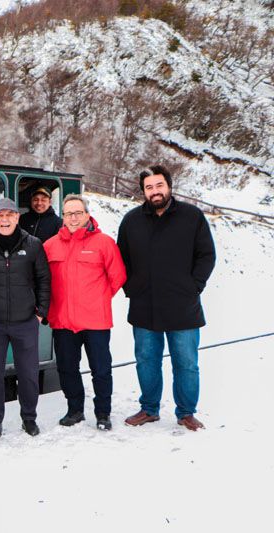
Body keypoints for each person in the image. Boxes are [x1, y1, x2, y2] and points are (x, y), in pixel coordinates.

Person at [117, 165, 216, 431]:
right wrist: (132, 288)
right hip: (143, 304)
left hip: (182, 305)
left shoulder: (191, 217)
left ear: (169, 186)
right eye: (149, 187)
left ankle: (186, 412)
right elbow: (120, 260)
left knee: (186, 362)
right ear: (143, 191)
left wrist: (193, 286)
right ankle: (149, 408)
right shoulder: (131, 220)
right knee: (146, 360)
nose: (155, 191)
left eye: (159, 185)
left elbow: (206, 255)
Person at [44, 194, 126, 431]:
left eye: (78, 213)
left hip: (95, 321)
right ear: (63, 217)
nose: (73, 217)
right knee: (67, 368)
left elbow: (118, 276)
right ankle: (75, 410)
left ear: (87, 215)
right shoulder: (50, 245)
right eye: (68, 213)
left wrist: (98, 299)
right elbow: (43, 281)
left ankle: (103, 413)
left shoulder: (104, 243)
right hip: (63, 321)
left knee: (101, 369)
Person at [0, 197, 51, 438]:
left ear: (17, 217)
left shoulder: (34, 244)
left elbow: (44, 279)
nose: (4, 220)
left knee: (28, 373)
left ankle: (29, 418)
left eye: (9, 215)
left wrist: (40, 312)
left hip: (26, 320)